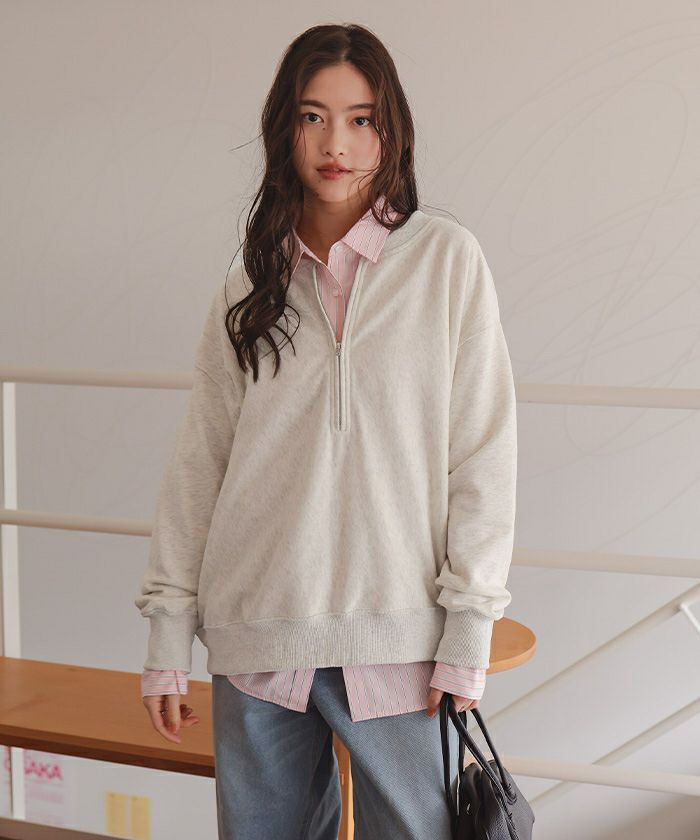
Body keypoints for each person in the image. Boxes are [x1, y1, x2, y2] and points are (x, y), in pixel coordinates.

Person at [135, 22, 517, 840]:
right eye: (313, 117)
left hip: (399, 642)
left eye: (360, 119)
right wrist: (169, 632)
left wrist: (469, 629)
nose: (335, 144)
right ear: (285, 128)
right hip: (256, 632)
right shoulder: (250, 281)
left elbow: (483, 455)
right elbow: (201, 463)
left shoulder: (445, 261)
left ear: (391, 129)